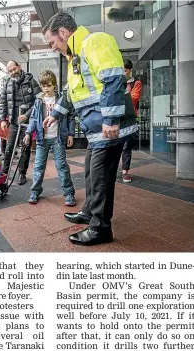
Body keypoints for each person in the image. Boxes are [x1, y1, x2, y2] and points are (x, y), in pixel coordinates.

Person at [42, 12, 138, 246]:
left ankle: (100, 228)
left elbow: (114, 79)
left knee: (101, 176)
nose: (52, 47)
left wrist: (111, 119)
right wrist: (54, 115)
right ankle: (88, 212)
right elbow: (71, 93)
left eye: (52, 41)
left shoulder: (94, 42)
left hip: (109, 128)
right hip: (98, 131)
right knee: (91, 171)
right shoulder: (75, 57)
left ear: (63, 33)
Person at [24, 70, 76, 206]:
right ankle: (35, 191)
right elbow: (34, 118)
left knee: (62, 166)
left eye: (48, 85)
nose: (46, 89)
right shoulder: (38, 101)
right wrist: (29, 133)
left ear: (54, 85)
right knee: (38, 167)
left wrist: (71, 134)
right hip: (42, 139)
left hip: (58, 138)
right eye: (43, 86)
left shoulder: (61, 99)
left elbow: (70, 116)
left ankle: (69, 193)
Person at [0, 61, 41, 185]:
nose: (13, 72)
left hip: (27, 121)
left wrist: (26, 115)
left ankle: (22, 173)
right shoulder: (7, 82)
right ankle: (4, 172)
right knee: (9, 148)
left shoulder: (31, 80)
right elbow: (3, 102)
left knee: (25, 147)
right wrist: (2, 120)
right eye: (10, 71)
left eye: (14, 69)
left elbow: (39, 101)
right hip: (13, 121)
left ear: (19, 67)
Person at [122, 59, 142, 183]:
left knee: (126, 146)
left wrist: (119, 100)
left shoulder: (136, 83)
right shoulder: (117, 82)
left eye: (124, 70)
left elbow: (134, 99)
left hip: (129, 118)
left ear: (130, 70)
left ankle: (125, 171)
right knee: (114, 146)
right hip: (117, 117)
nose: (123, 73)